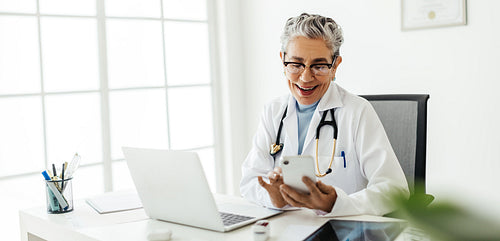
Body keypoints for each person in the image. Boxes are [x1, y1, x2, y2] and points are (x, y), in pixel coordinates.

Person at [240, 13, 410, 217]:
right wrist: (274, 198)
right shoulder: (273, 111)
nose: (305, 78)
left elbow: (395, 190)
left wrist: (336, 204)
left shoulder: (357, 112)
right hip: (286, 229)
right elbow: (250, 181)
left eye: (319, 66)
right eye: (296, 64)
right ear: (282, 60)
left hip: (342, 231)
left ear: (335, 65)